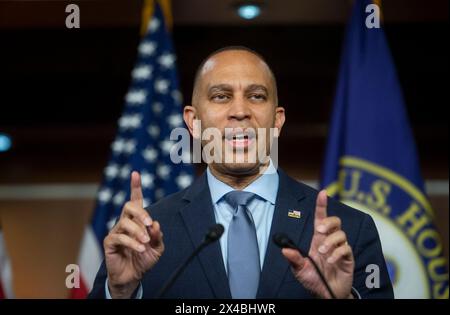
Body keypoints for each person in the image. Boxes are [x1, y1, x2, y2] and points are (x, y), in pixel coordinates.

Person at [89, 46, 394, 299]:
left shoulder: (349, 231)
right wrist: (119, 291)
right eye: (221, 96)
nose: (240, 110)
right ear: (193, 122)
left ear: (277, 121)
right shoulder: (143, 235)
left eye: (256, 96)